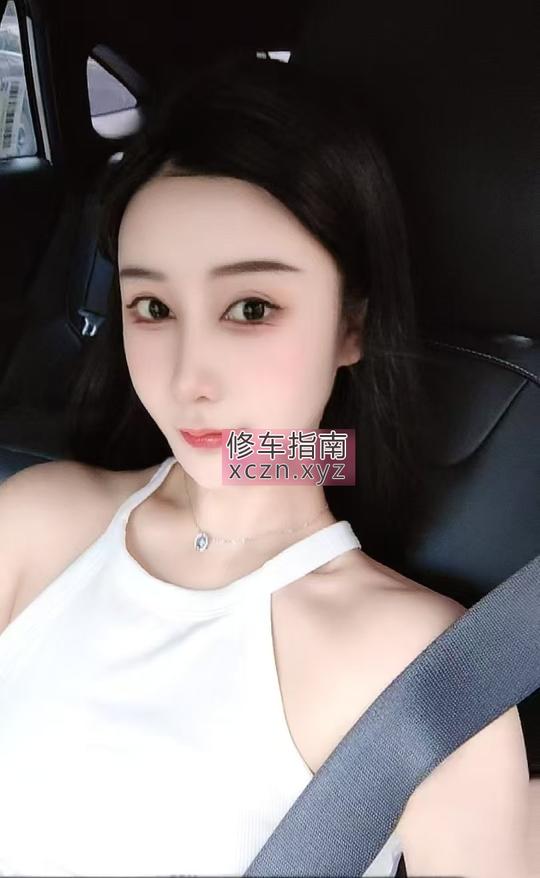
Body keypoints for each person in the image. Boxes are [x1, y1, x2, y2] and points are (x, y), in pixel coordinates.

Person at [0, 54, 531, 878]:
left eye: (250, 308)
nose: (188, 378)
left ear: (352, 325)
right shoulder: (34, 522)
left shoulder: (422, 670)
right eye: (152, 307)